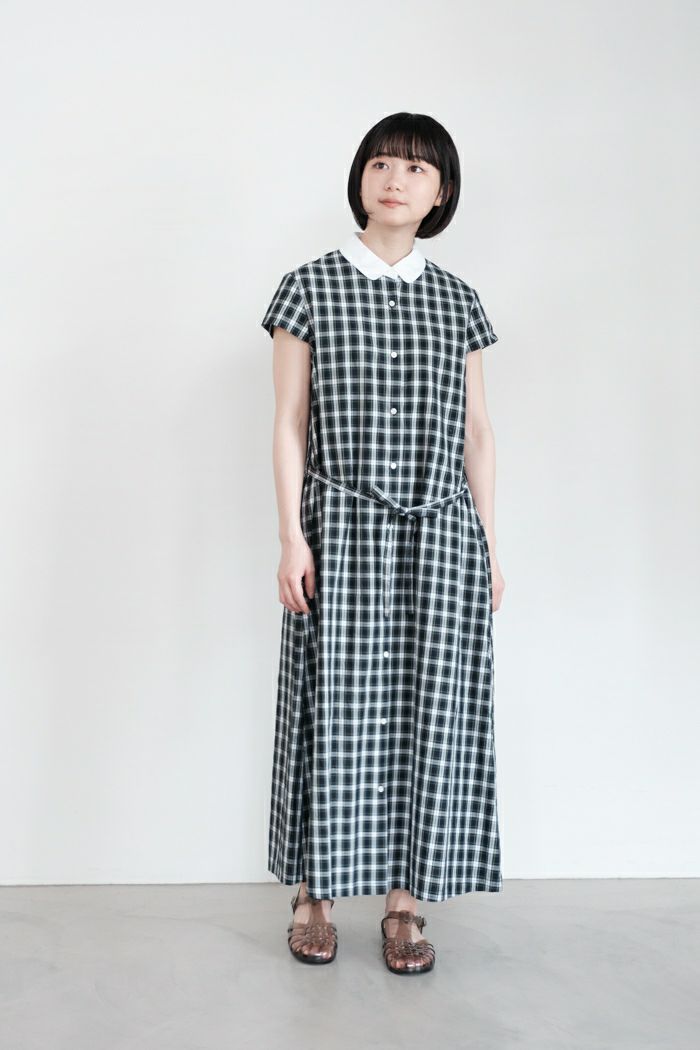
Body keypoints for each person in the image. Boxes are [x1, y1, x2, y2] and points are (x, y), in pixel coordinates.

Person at [260, 111, 505, 975]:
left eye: (416, 168)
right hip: (343, 529)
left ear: (442, 192)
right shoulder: (309, 288)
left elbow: (477, 432)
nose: (395, 179)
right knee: (334, 707)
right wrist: (292, 538)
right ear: (360, 178)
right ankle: (315, 894)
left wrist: (489, 544)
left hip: (442, 532)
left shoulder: (458, 300)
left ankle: (406, 903)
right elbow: (289, 424)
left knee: (433, 711)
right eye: (381, 163)